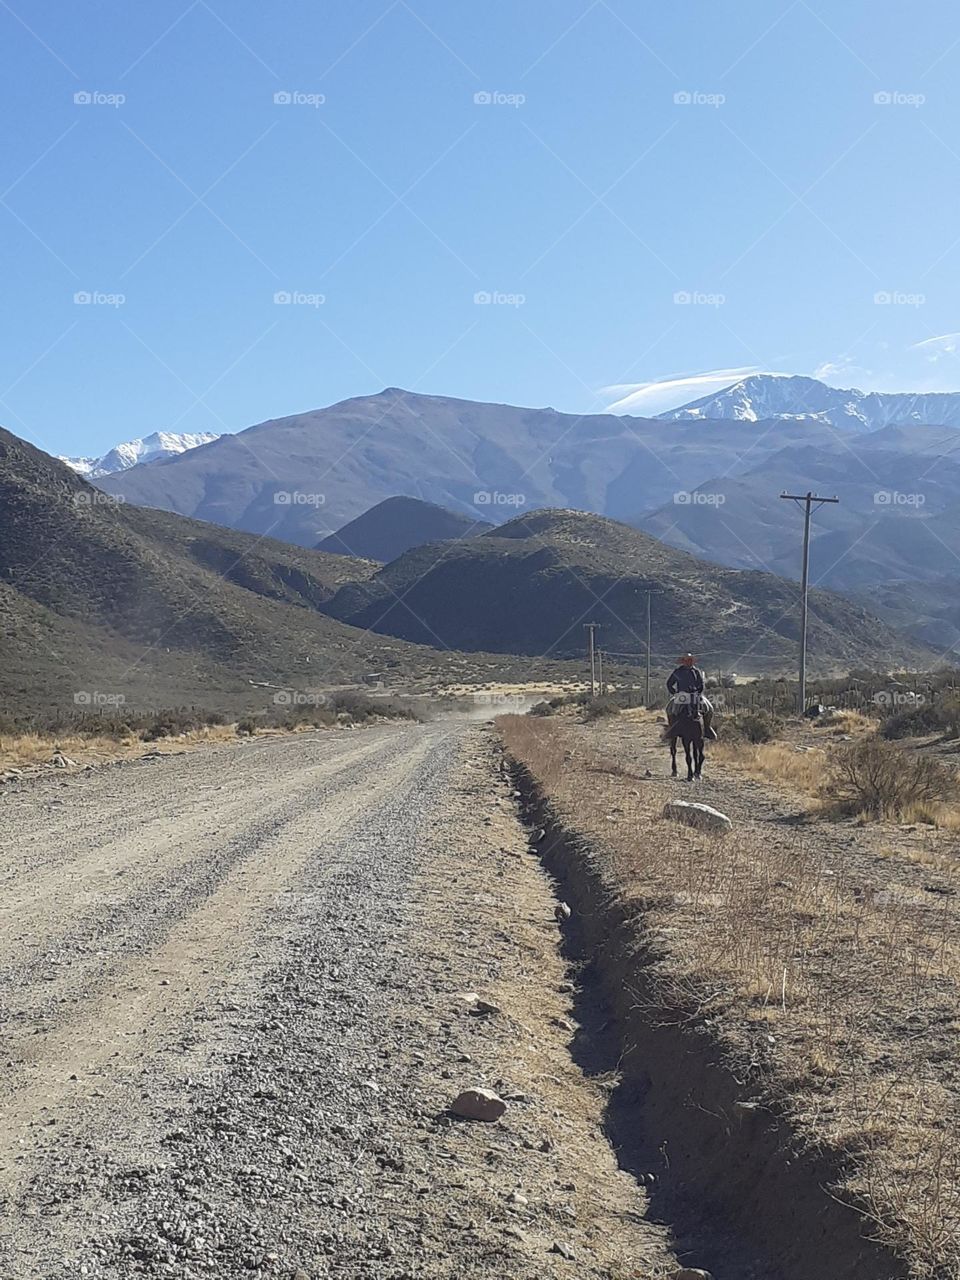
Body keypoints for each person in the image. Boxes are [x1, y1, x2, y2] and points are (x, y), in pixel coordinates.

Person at [666, 653, 717, 740]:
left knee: (709, 708)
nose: (688, 662)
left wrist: (698, 692)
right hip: (682, 696)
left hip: (695, 695)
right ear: (683, 662)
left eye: (690, 660)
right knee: (670, 709)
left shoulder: (696, 672)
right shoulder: (677, 671)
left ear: (692, 662)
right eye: (686, 660)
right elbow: (669, 683)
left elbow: (701, 684)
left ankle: (707, 728)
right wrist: (675, 693)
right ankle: (672, 729)